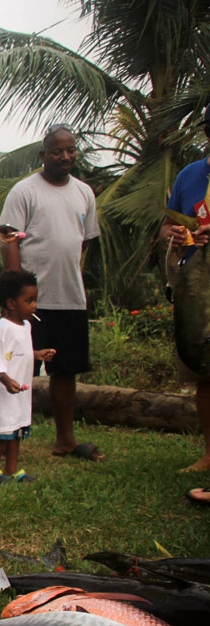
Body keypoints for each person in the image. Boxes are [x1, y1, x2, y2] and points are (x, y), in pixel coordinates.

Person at [0, 124, 104, 462]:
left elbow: (83, 240)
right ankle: (6, 440)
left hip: (70, 296)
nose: (65, 156)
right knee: (19, 368)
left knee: (66, 370)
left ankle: (65, 440)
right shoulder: (24, 191)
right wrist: (17, 296)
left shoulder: (84, 193)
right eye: (57, 151)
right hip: (31, 301)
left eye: (70, 150)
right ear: (43, 155)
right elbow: (9, 239)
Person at [160, 103, 210, 499]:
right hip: (195, 285)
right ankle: (208, 454)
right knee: (201, 368)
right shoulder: (192, 174)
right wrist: (176, 235)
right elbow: (168, 225)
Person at [0, 270, 56, 484]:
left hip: (20, 393)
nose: (34, 305)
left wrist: (38, 354)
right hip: (5, 392)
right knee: (2, 431)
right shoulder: (2, 328)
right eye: (29, 300)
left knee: (17, 431)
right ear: (12, 303)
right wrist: (6, 380)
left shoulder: (26, 326)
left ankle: (12, 469)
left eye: (35, 300)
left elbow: (20, 351)